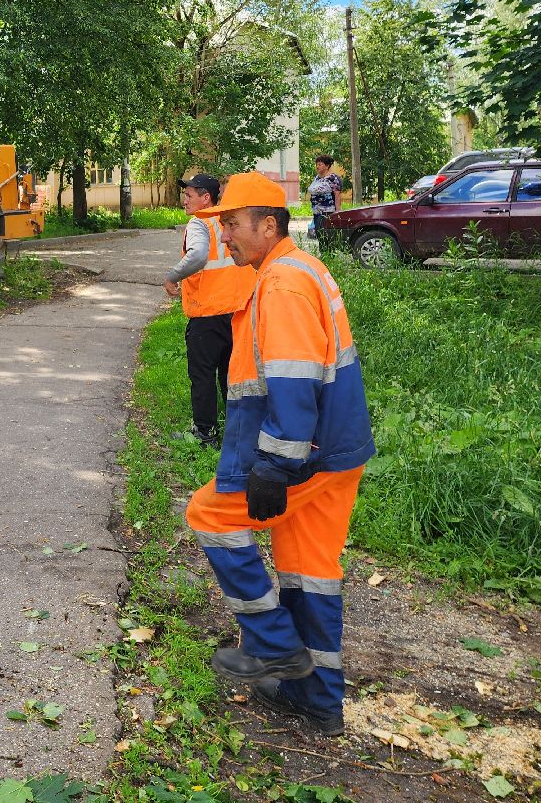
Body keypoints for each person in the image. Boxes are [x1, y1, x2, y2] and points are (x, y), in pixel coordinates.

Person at [184, 171, 374, 736]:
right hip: (335, 451)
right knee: (308, 570)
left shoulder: (283, 284)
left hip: (307, 456)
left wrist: (273, 465)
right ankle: (317, 700)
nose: (227, 237)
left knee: (210, 515)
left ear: (269, 224)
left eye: (233, 226)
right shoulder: (292, 270)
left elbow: (294, 382)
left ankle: (272, 645)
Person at [164, 173, 256, 448]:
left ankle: (205, 433)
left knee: (202, 375)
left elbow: (198, 255)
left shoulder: (199, 222)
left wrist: (172, 277)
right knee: (231, 373)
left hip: (207, 313)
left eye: (190, 195)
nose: (185, 200)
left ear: (207, 198)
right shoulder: (229, 221)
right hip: (237, 311)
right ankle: (238, 431)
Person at [306, 155, 344, 239]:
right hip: (316, 212)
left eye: (320, 164)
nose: (317, 166)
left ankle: (328, 251)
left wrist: (338, 212)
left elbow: (337, 194)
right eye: (317, 164)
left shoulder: (332, 178)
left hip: (327, 212)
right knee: (319, 235)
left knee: (325, 236)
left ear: (327, 166)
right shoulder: (317, 178)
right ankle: (323, 251)